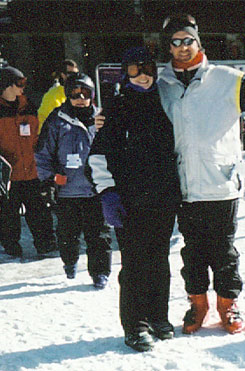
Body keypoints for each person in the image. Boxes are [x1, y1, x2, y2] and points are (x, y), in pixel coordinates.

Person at [158, 14, 245, 335]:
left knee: (224, 251)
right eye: (175, 42)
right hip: (185, 186)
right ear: (169, 48)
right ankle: (197, 304)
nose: (183, 47)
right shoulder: (162, 86)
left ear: (198, 43)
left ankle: (227, 306)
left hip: (221, 183)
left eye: (188, 40)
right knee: (192, 252)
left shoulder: (227, 79)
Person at [88, 47, 181, 352]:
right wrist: (108, 193)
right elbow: (98, 155)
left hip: (163, 199)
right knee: (136, 264)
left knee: (159, 262)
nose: (142, 76)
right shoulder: (117, 107)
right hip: (130, 202)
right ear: (125, 74)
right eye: (134, 70)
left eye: (147, 69)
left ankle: (158, 317)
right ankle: (136, 324)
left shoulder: (166, 103)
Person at [35, 73, 112, 288]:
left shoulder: (100, 118)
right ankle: (70, 261)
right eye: (74, 94)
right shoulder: (57, 120)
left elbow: (113, 149)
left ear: (92, 95)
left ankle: (100, 272)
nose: (80, 99)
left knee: (98, 235)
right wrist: (49, 180)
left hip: (95, 189)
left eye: (85, 94)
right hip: (67, 190)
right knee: (68, 234)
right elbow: (43, 153)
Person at [0, 66, 56, 258]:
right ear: (6, 85)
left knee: (39, 210)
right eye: (19, 84)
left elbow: (38, 136)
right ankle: (11, 246)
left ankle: (46, 243)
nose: (22, 88)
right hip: (9, 173)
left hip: (32, 170)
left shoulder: (28, 106)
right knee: (10, 214)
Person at [37, 59, 79, 132]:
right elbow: (50, 121)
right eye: (71, 74)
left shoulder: (80, 92)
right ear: (63, 75)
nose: (74, 77)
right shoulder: (53, 94)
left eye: (77, 74)